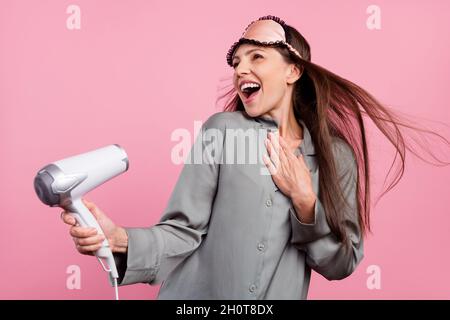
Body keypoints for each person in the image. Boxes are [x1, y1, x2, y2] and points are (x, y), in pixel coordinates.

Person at [61, 15, 448, 299]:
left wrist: (306, 203)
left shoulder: (336, 157)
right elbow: (183, 232)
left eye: (257, 57)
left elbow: (341, 263)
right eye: (236, 63)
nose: (240, 69)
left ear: (293, 71)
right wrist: (120, 239)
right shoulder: (221, 132)